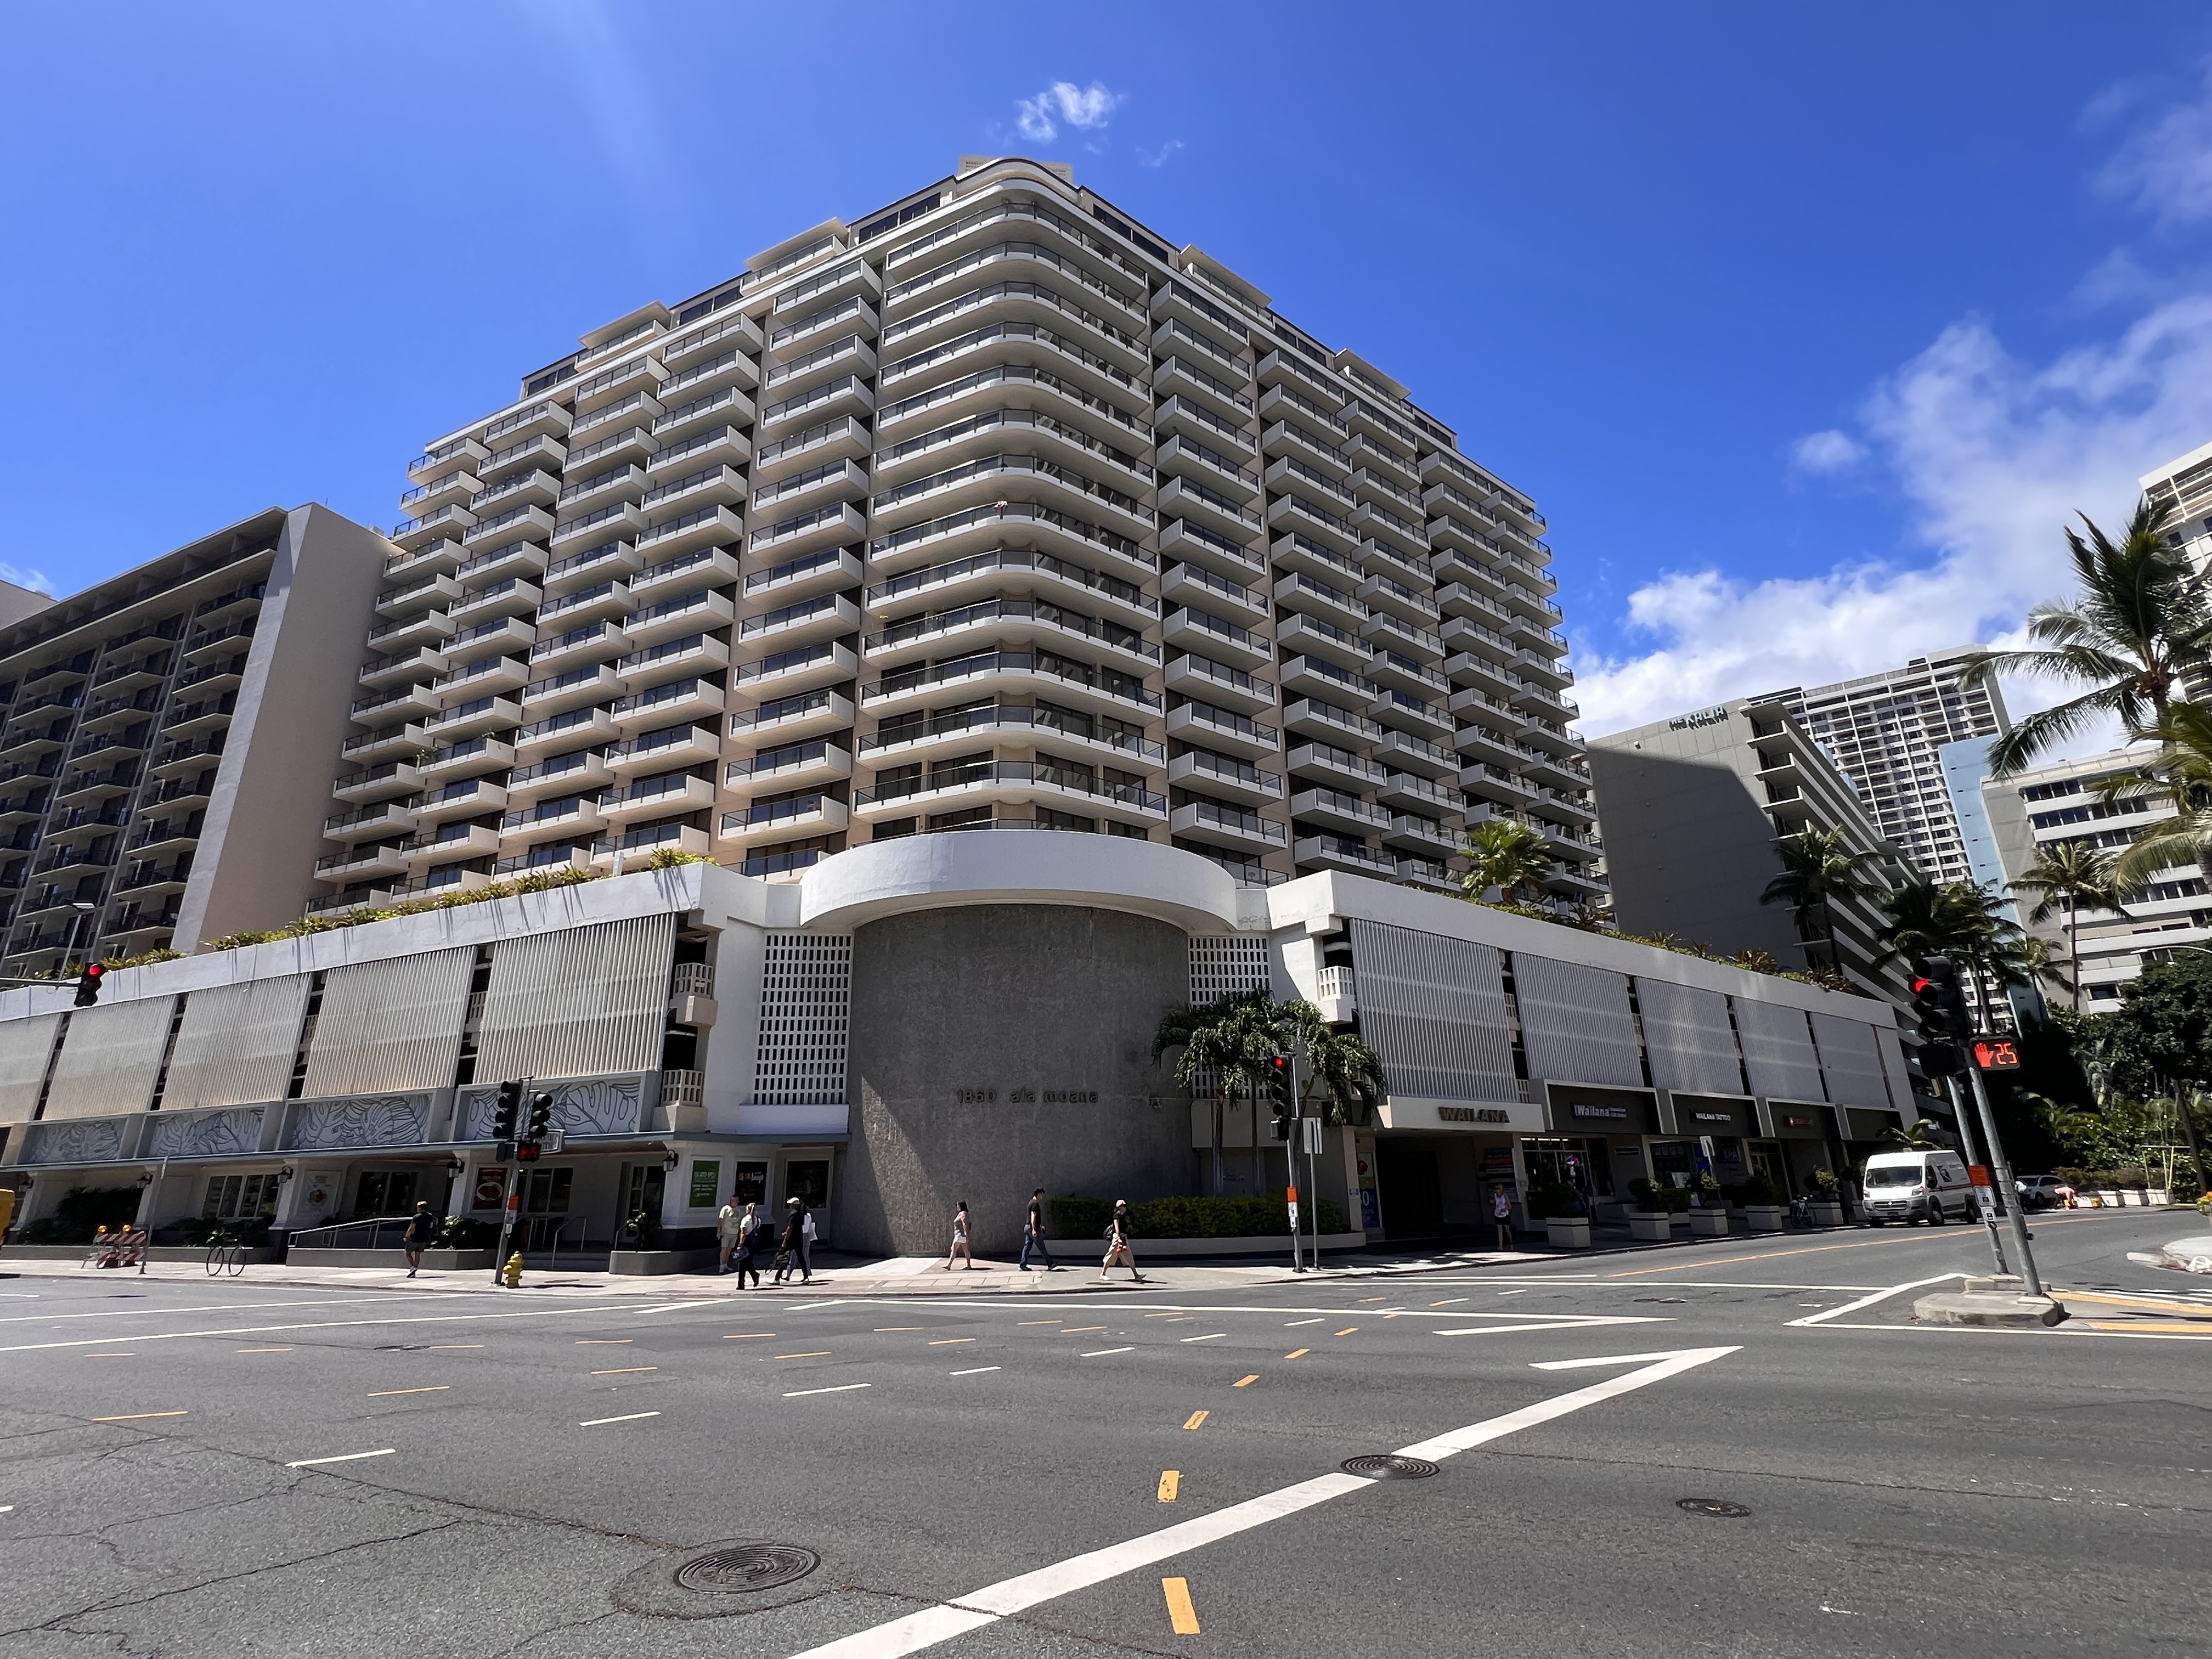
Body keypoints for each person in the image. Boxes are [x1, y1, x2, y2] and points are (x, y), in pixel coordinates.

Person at [1099, 1198, 1142, 1283]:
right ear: (1119, 1207)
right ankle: (1103, 1274)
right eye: (1123, 1206)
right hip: (1118, 1238)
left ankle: (1136, 1275)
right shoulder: (1117, 1216)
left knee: (1128, 1256)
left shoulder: (1122, 1216)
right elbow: (1116, 1227)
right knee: (1111, 1254)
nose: (1125, 1208)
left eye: (1125, 1206)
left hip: (1123, 1237)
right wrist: (1118, 1238)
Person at [1019, 1188, 1058, 1272]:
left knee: (1027, 1246)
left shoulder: (1030, 1202)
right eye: (1042, 1195)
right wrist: (1034, 1229)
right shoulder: (1035, 1204)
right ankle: (1050, 1264)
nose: (1042, 1197)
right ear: (1038, 1194)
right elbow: (1033, 1216)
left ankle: (1023, 1264)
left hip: (1027, 1227)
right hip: (1033, 1228)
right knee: (1041, 1246)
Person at [775, 1198, 811, 1285]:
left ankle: (777, 1278)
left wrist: (785, 1241)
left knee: (783, 1257)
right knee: (801, 1257)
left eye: (791, 1205)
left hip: (791, 1239)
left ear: (795, 1206)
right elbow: (799, 1227)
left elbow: (790, 1228)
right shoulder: (801, 1214)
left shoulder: (793, 1214)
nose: (790, 1206)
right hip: (799, 1238)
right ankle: (806, 1276)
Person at [402, 1201, 439, 1277]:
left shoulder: (417, 1217)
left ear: (419, 1208)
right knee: (418, 1254)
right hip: (425, 1237)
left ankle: (413, 1267)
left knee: (408, 1253)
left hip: (415, 1237)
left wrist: (407, 1236)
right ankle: (414, 1269)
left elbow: (411, 1228)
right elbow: (431, 1226)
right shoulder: (430, 1216)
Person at [731, 1201, 763, 1289]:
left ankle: (741, 1284)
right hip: (753, 1243)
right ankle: (754, 1275)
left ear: (747, 1210)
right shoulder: (757, 1219)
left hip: (746, 1242)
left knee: (742, 1264)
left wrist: (740, 1244)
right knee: (749, 1262)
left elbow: (743, 1233)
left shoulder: (746, 1219)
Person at [716, 1194, 747, 1275]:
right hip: (726, 1232)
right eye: (733, 1201)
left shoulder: (738, 1210)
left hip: (734, 1233)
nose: (735, 1202)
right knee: (724, 1249)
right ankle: (721, 1265)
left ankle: (726, 1264)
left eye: (737, 1201)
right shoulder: (726, 1208)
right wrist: (719, 1232)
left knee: (729, 1249)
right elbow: (721, 1220)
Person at [944, 1200, 974, 1271]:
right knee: (966, 1250)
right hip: (962, 1236)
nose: (957, 1206)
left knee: (954, 1249)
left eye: (957, 1205)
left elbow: (965, 1224)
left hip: (960, 1235)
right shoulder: (965, 1213)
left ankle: (949, 1265)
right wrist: (967, 1235)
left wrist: (966, 1233)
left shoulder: (962, 1214)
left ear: (960, 1206)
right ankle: (969, 1265)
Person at [1491, 1186, 1515, 1251]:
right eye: (1496, 1189)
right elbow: (1495, 1204)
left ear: (1501, 1189)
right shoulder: (1495, 1196)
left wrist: (1505, 1209)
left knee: (1507, 1229)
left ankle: (1511, 1243)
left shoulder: (1505, 1196)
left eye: (1498, 1189)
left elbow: (1510, 1206)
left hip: (1505, 1215)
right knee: (1500, 1230)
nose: (1497, 1190)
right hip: (1498, 1215)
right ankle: (1501, 1246)